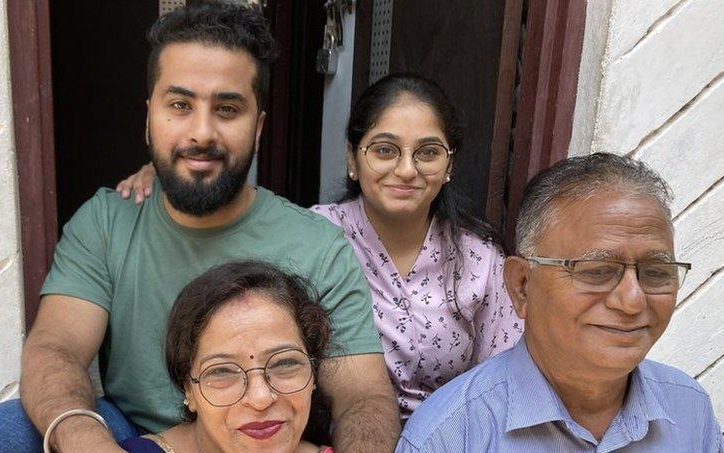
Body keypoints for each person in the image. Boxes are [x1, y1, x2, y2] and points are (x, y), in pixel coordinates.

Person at [0, 3, 399, 453]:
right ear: (149, 116)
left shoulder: (315, 246)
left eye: (226, 109)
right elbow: (55, 347)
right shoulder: (109, 222)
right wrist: (89, 447)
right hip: (140, 442)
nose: (201, 132)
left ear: (258, 126)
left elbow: (364, 395)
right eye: (180, 105)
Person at [385, 153, 724, 453]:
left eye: (655, 272)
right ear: (521, 286)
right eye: (597, 271)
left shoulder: (688, 413)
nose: (632, 300)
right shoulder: (447, 442)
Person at [117, 74, 521, 419]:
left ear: (448, 164)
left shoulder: (480, 258)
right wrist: (167, 178)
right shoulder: (312, 234)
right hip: (333, 446)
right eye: (384, 150)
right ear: (352, 157)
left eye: (428, 153)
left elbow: (506, 379)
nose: (406, 169)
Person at [57, 261, 390, 453]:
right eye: (222, 372)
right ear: (187, 388)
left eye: (285, 364)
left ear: (315, 373)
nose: (261, 398)